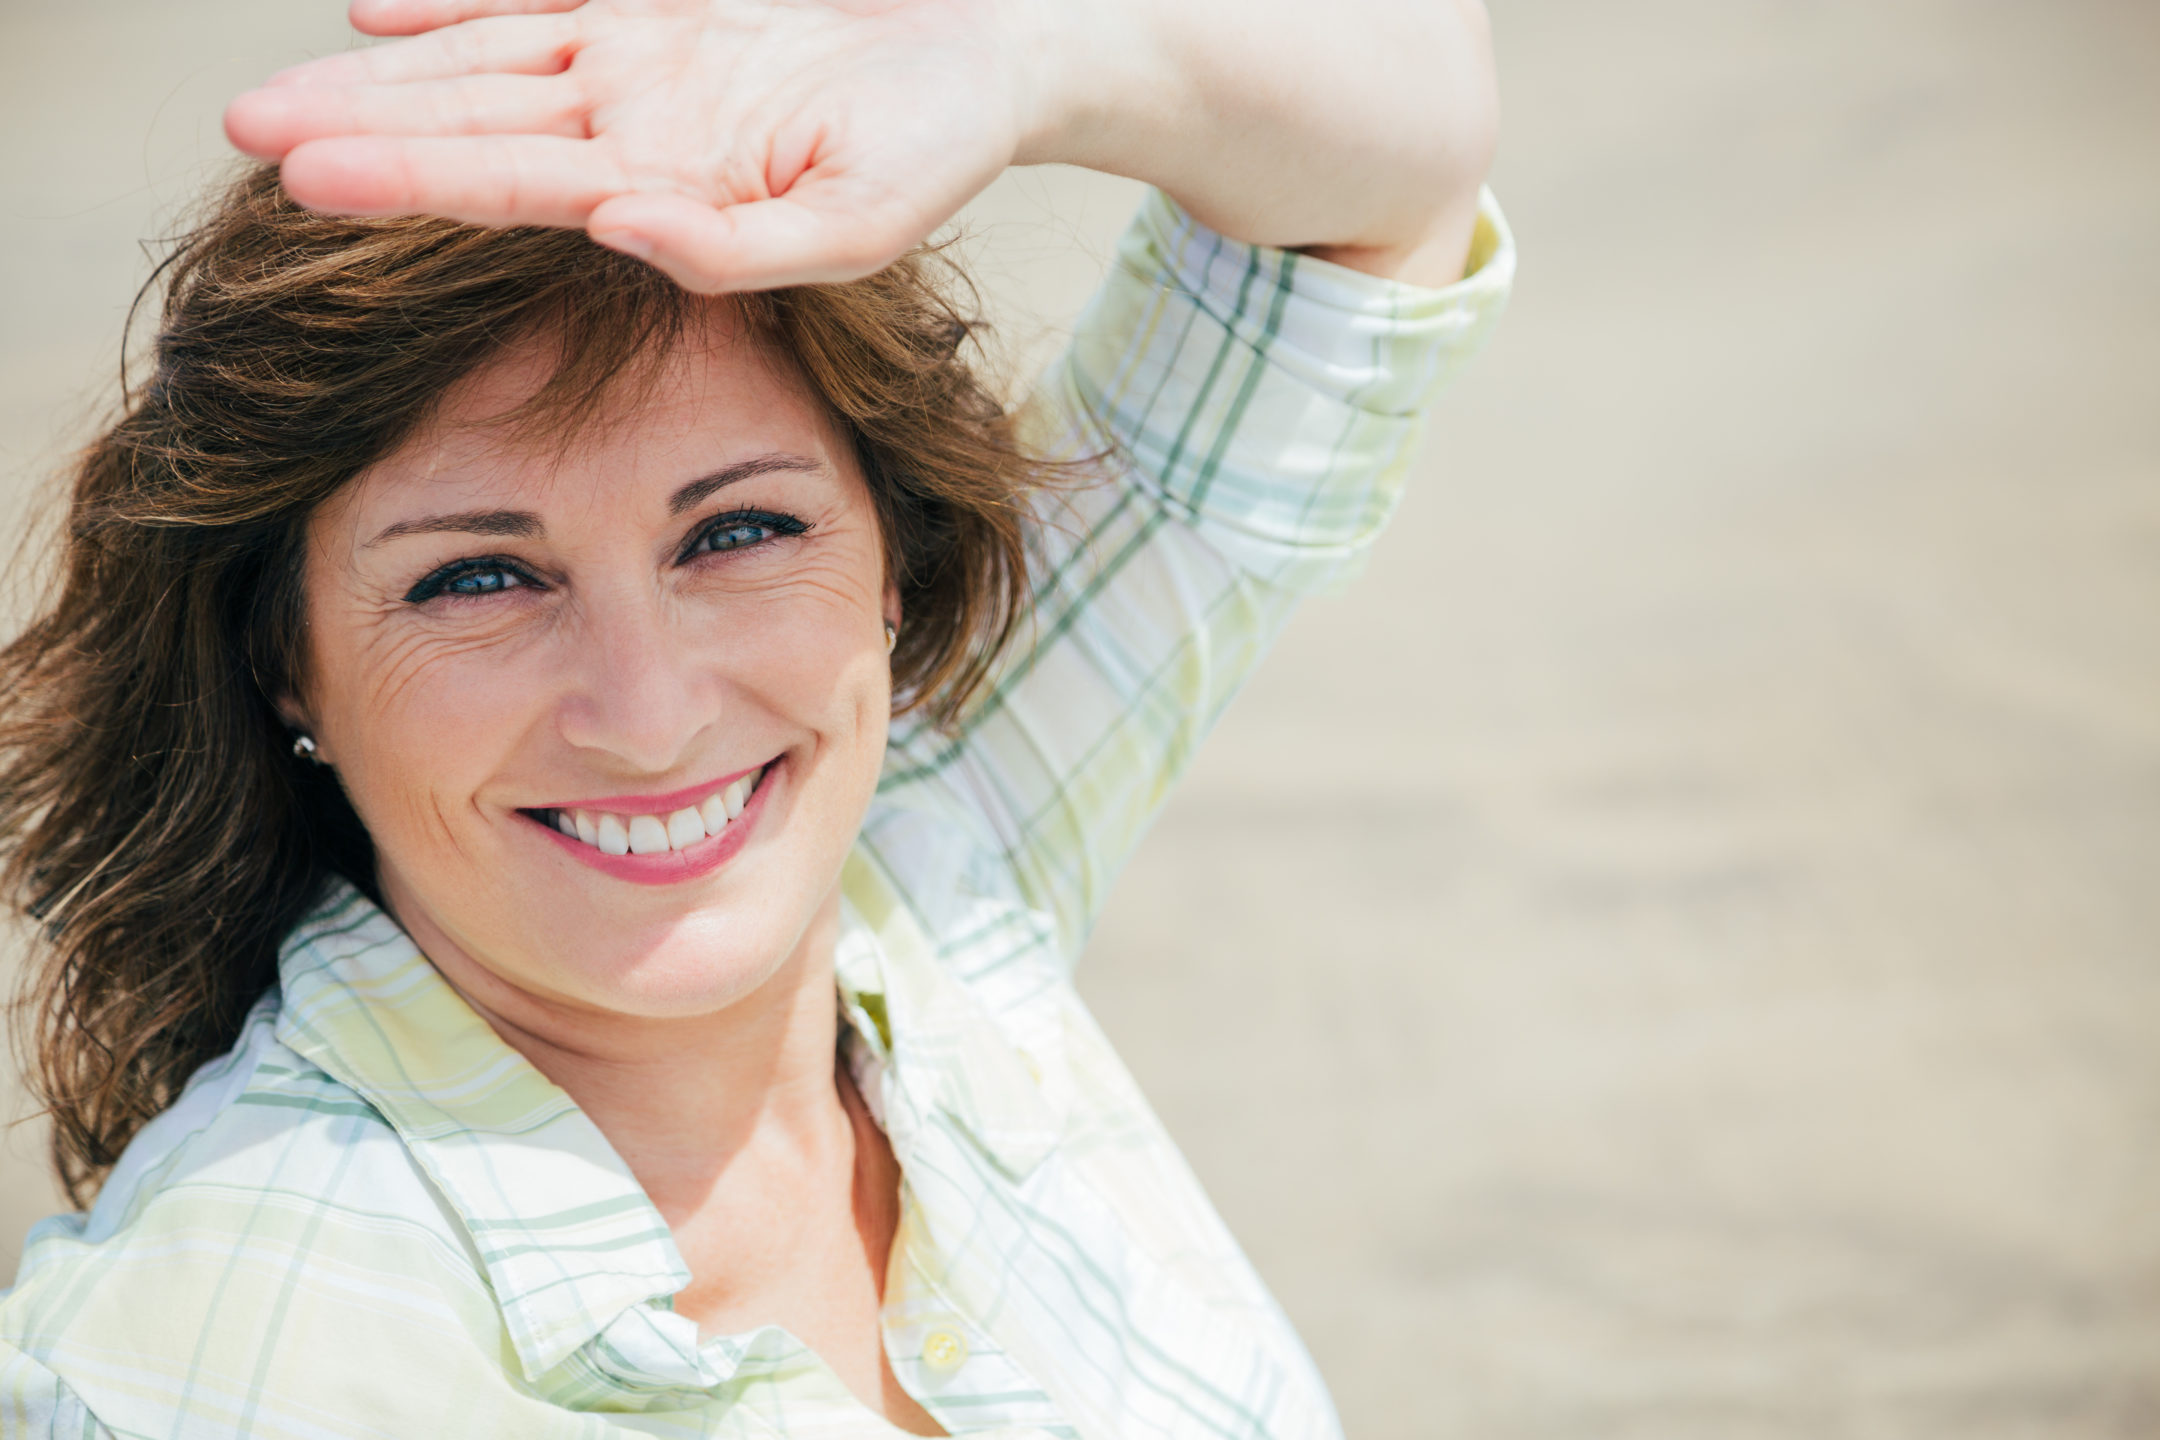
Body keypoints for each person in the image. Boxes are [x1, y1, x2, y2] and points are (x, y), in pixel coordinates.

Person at [0, 0, 1510, 1433]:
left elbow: (1401, 162)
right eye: (478, 578)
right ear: (289, 660)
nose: (649, 720)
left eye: (736, 536)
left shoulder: (919, 851)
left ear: (892, 564)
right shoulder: (202, 1366)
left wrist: (1011, 58)